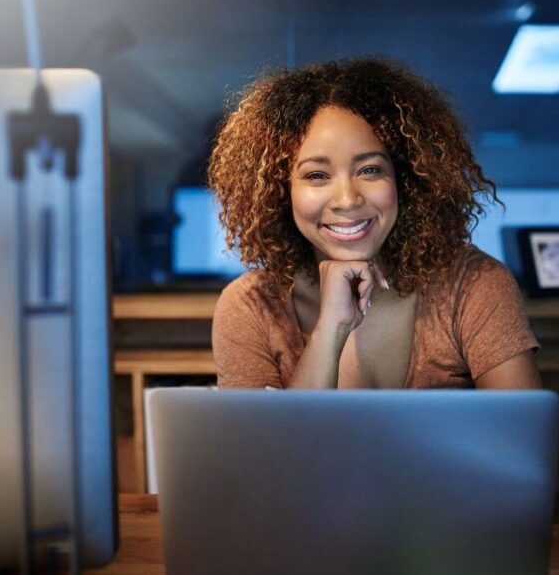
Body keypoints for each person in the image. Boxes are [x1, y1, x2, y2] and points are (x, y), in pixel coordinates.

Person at [208, 58, 541, 389]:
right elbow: (268, 444)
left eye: (369, 170)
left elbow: (523, 438)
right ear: (281, 191)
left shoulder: (473, 284)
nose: (348, 199)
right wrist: (331, 330)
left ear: (405, 178)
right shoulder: (250, 306)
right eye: (317, 175)